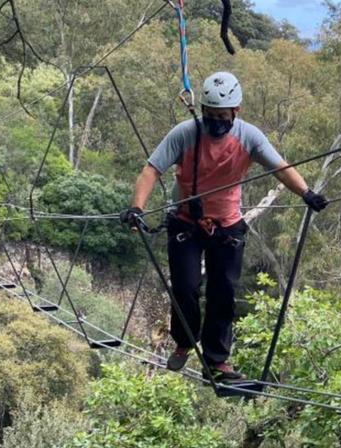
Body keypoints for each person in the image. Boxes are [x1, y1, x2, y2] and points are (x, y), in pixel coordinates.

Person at [120, 71, 328, 380]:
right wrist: (137, 207)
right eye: (210, 115)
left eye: (222, 116)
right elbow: (151, 170)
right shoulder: (185, 134)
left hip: (227, 225)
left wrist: (307, 193)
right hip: (186, 222)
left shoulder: (249, 137)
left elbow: (280, 168)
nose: (216, 122)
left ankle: (218, 361)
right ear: (202, 111)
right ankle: (185, 342)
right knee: (186, 287)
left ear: (236, 111)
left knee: (223, 292)